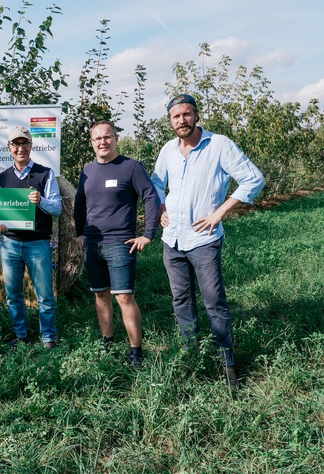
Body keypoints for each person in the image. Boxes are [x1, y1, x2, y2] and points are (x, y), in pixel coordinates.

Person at [151, 94, 264, 388]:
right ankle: (192, 357)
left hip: (203, 238)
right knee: (181, 300)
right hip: (172, 238)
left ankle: (227, 364)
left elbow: (254, 179)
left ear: (196, 115)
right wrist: (161, 207)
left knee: (214, 302)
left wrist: (220, 212)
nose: (182, 121)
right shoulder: (168, 150)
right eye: (176, 117)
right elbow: (155, 183)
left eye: (187, 114)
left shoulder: (219, 145)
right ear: (170, 121)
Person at [73, 120, 160, 366]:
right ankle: (107, 342)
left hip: (121, 243)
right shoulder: (87, 171)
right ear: (92, 143)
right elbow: (80, 204)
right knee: (100, 295)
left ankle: (136, 352)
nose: (103, 142)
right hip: (92, 243)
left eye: (107, 137)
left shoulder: (131, 167)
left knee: (123, 297)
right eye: (97, 138)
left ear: (116, 138)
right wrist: (80, 233)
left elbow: (151, 198)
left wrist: (148, 234)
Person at [0, 126, 62, 349]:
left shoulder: (45, 173)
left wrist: (40, 200)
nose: (20, 148)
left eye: (25, 143)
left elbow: (57, 208)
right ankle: (21, 335)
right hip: (10, 244)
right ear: (9, 148)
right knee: (13, 295)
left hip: (38, 244)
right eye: (16, 144)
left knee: (44, 295)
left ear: (31, 146)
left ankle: (48, 338)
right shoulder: (2, 178)